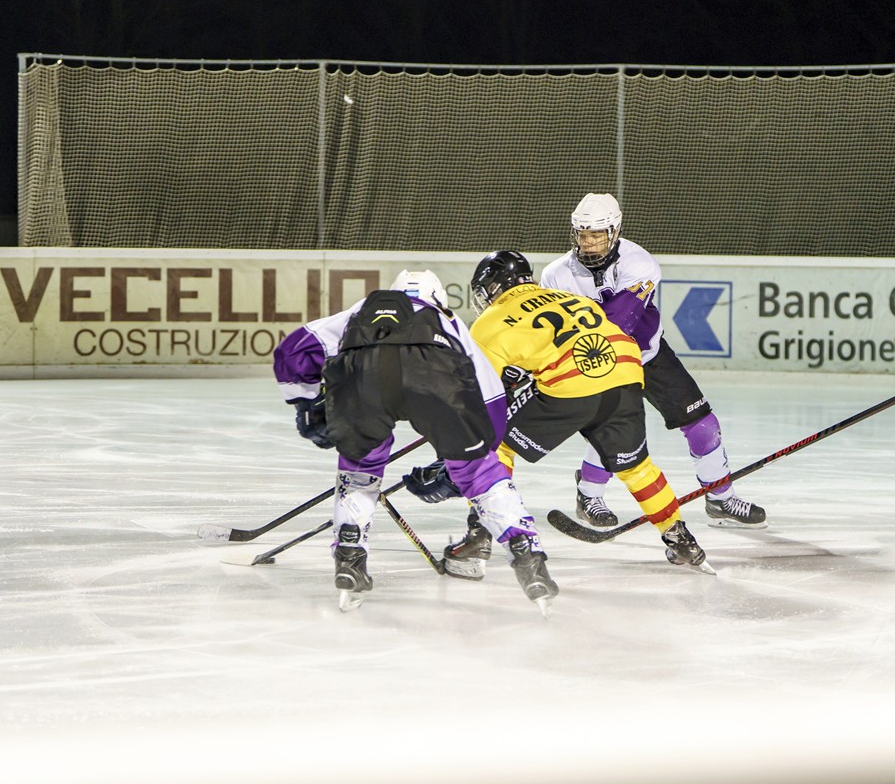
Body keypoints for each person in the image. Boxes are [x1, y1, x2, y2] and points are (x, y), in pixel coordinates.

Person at [272, 269, 556, 612]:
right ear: (438, 298)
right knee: (481, 473)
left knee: (360, 470)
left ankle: (349, 555)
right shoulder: (448, 320)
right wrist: (477, 451)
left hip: (362, 377)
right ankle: (526, 554)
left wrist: (306, 405)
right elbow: (491, 393)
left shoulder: (362, 310)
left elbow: (291, 352)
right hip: (434, 377)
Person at [417, 249, 713, 575]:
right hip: (626, 374)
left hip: (571, 384)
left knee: (495, 446)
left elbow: (477, 396)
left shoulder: (490, 321)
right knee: (638, 468)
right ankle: (682, 540)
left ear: (494, 287)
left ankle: (480, 534)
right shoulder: (569, 297)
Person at [538, 192, 766, 531]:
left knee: (703, 426)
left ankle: (720, 497)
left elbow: (618, 324)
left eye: (597, 234)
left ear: (615, 231)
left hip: (648, 355)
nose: (588, 243)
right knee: (612, 431)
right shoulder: (555, 275)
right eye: (582, 235)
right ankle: (589, 494)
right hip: (599, 364)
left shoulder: (639, 263)